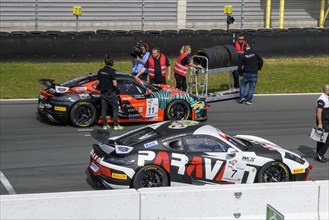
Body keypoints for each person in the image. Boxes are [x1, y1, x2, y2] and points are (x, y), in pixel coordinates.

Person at [97, 55, 124, 130]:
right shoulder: (112, 72)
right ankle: (116, 125)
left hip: (103, 93)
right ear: (111, 63)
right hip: (110, 93)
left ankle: (105, 125)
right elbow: (115, 84)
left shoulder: (100, 71)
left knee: (104, 109)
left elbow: (97, 82)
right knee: (115, 108)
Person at [315, 84, 329, 163]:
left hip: (326, 121)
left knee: (321, 138)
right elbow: (318, 112)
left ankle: (318, 155)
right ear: (327, 91)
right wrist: (320, 124)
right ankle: (321, 154)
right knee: (327, 138)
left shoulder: (326, 98)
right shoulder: (321, 99)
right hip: (323, 121)